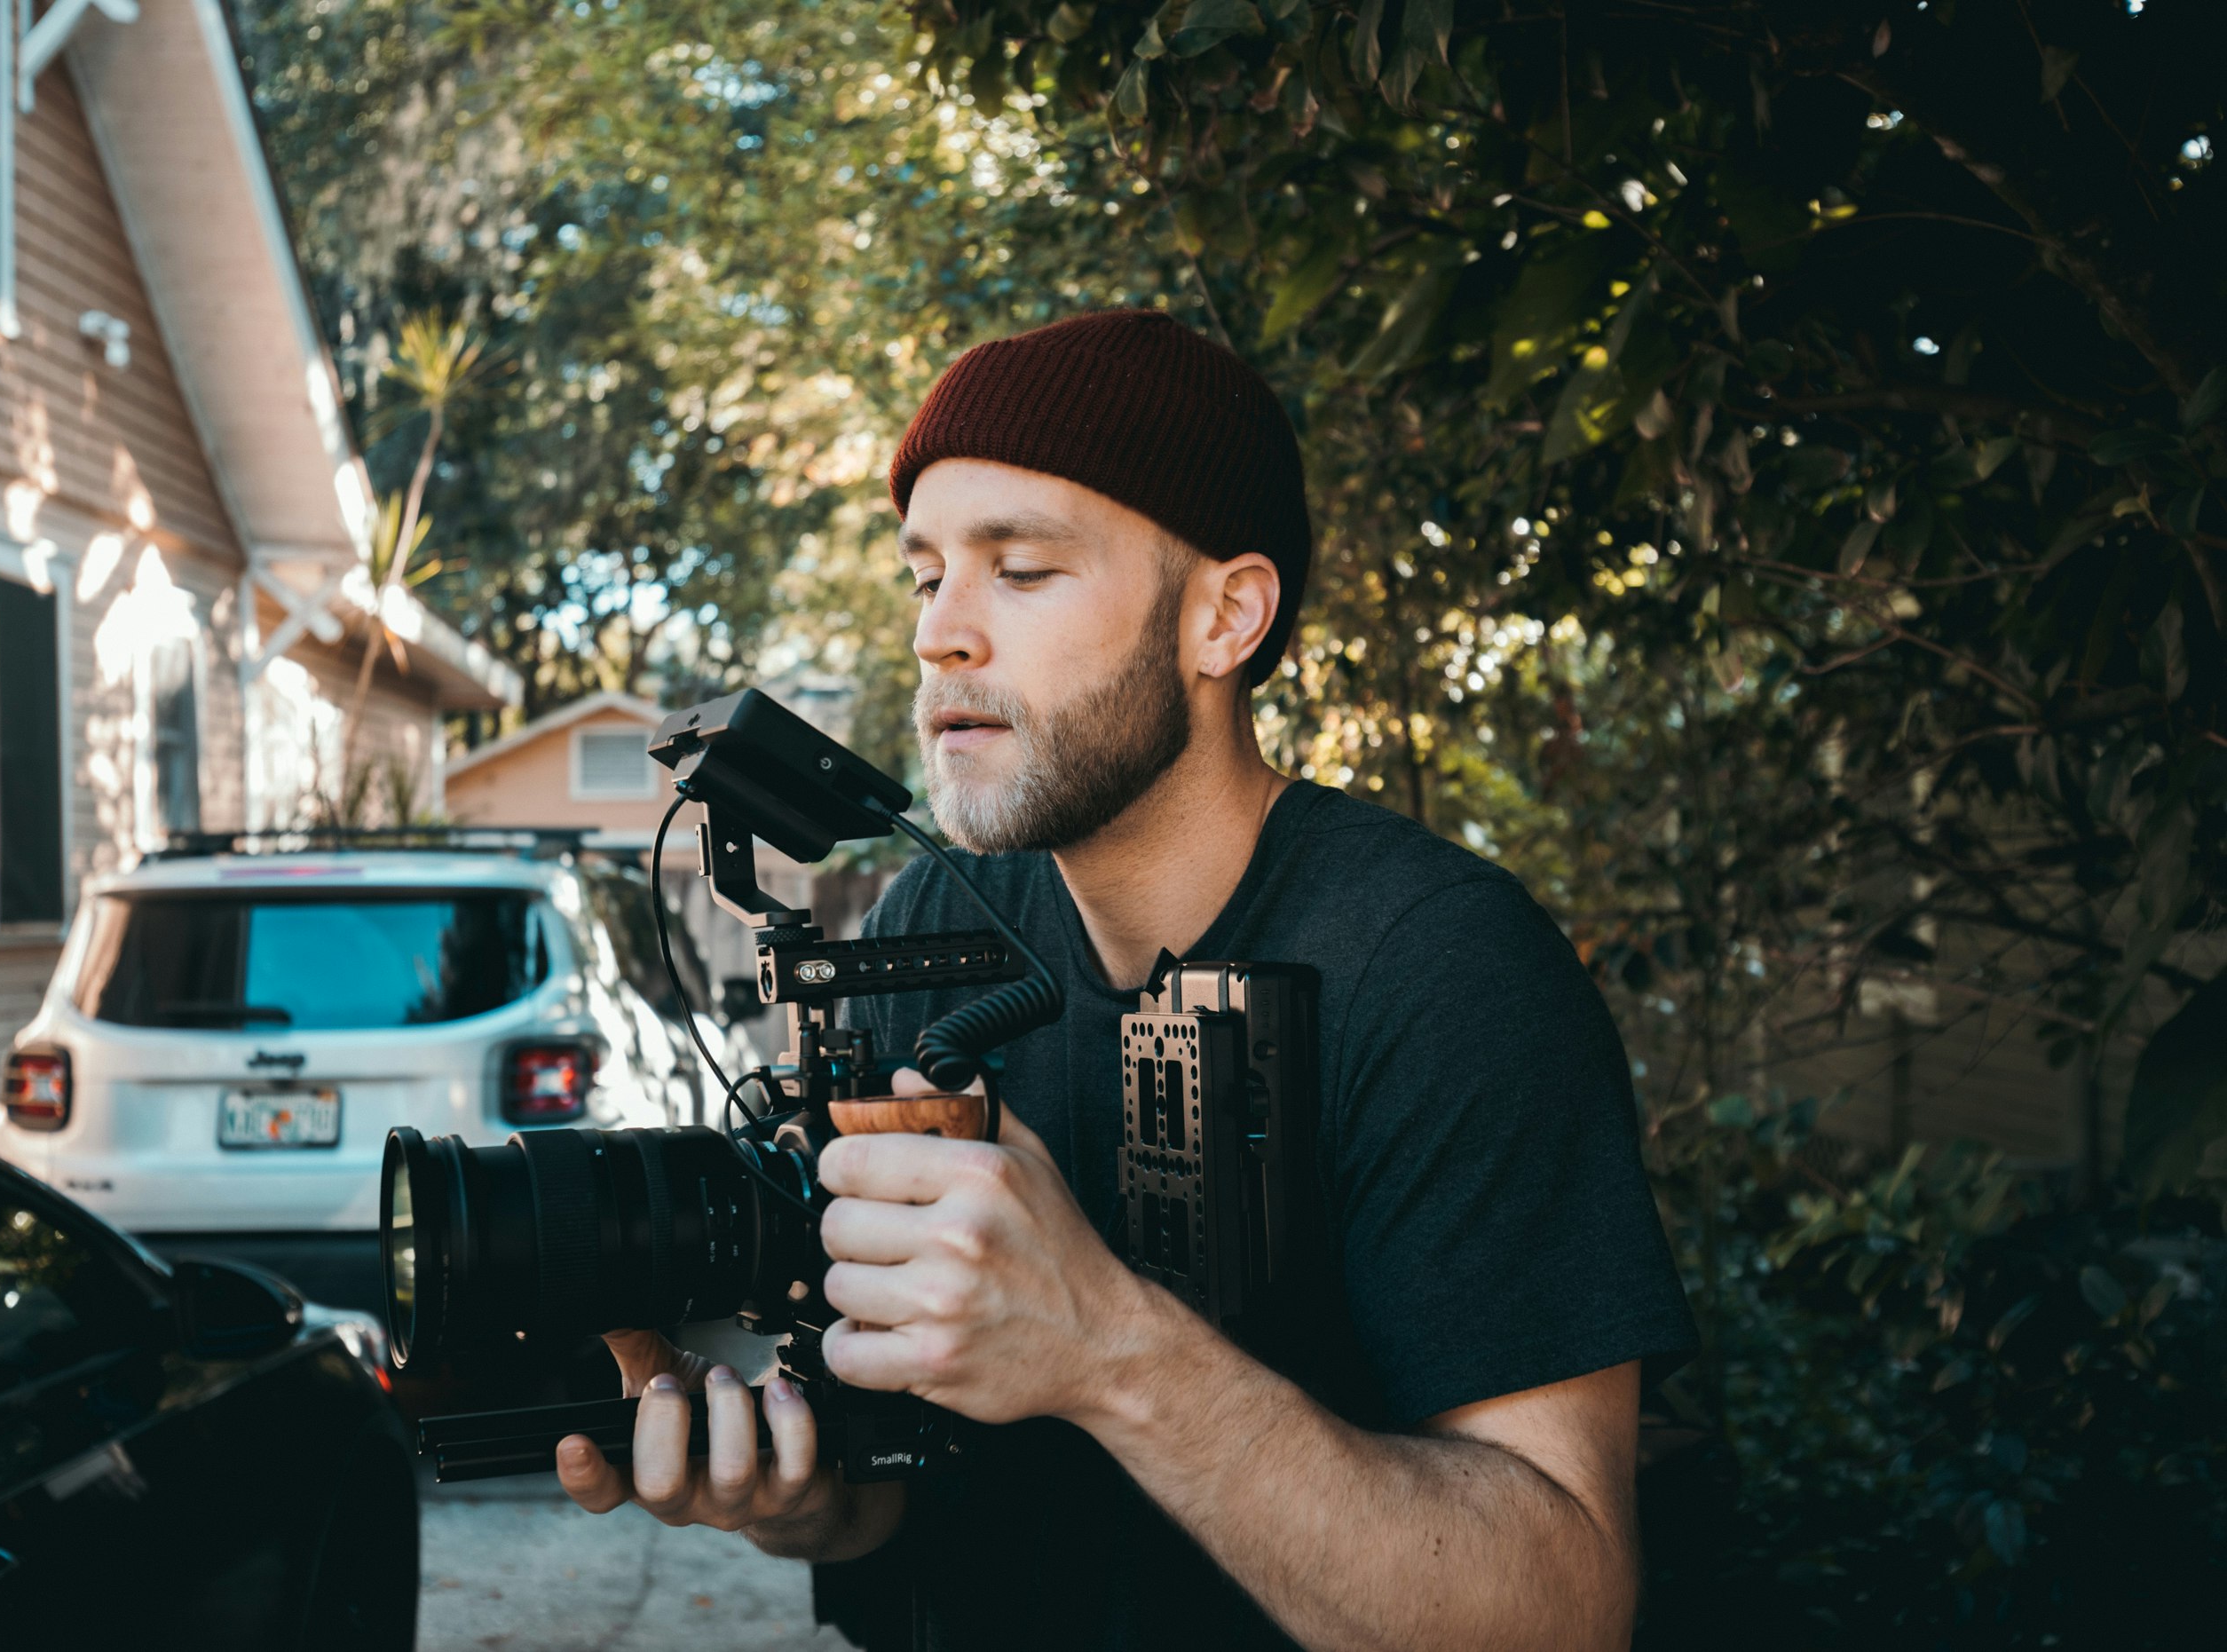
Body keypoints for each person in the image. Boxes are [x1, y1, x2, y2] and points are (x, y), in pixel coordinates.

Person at [554, 310, 1698, 1649]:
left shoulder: (1438, 964)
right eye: (926, 578)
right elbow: (916, 1495)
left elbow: (1561, 1609)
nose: (942, 637)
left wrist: (1108, 1346)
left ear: (1225, 616)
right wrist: (797, 1492)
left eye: (1023, 569)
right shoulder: (929, 923)